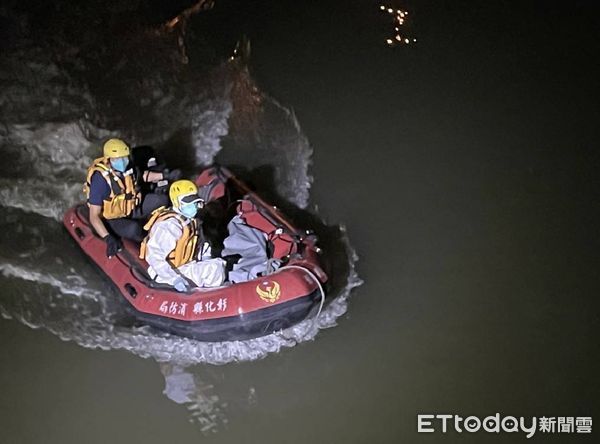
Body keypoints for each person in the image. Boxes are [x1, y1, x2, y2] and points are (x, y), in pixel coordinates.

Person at [84, 138, 179, 257]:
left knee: (162, 200)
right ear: (109, 160)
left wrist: (164, 176)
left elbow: (141, 176)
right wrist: (107, 238)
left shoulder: (127, 167)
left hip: (131, 207)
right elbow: (94, 216)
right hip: (112, 217)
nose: (123, 161)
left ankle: (163, 226)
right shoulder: (100, 181)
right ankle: (146, 245)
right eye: (118, 159)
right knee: (134, 229)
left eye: (125, 157)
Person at [139, 179, 226, 292]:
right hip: (165, 273)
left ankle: (207, 291)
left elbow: (202, 246)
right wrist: (174, 279)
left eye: (194, 203)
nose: (194, 206)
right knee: (216, 268)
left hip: (184, 265)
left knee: (216, 266)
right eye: (188, 203)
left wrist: (205, 260)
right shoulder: (169, 226)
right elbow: (154, 256)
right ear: (177, 202)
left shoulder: (192, 222)